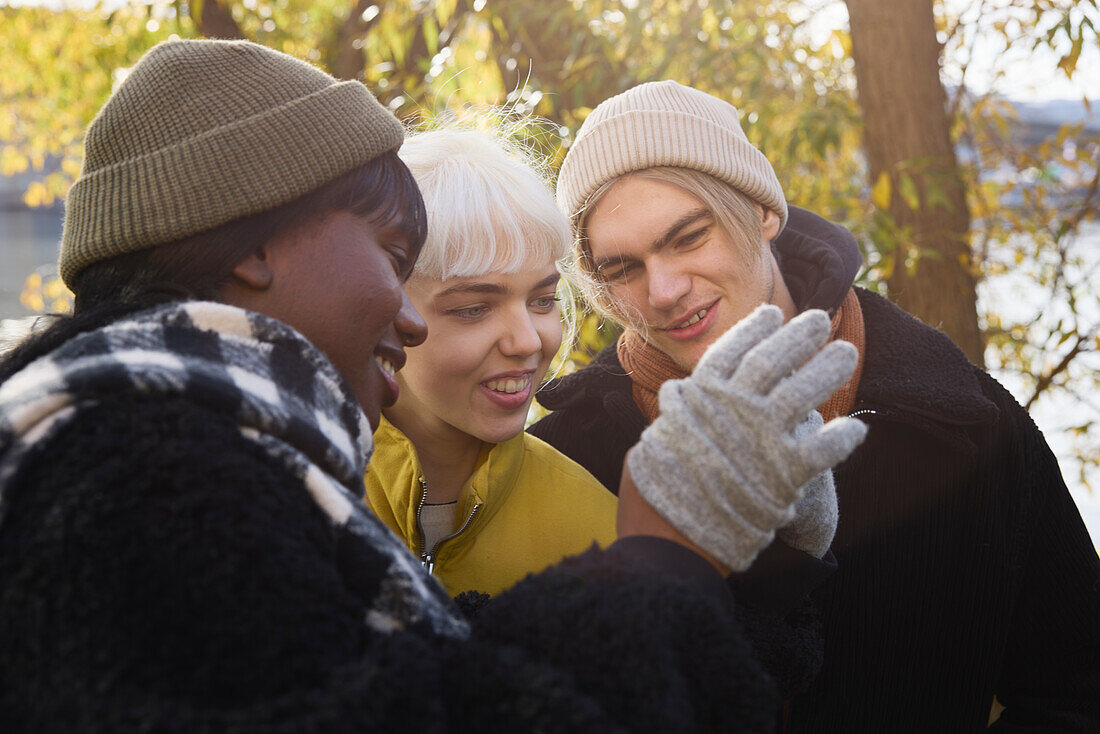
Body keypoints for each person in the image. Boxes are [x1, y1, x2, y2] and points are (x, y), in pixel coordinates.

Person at [0, 42, 867, 733]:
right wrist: (660, 556)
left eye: (540, 297)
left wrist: (765, 569)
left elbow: (438, 671)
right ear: (253, 247)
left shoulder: (161, 441)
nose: (408, 322)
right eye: (392, 257)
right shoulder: (133, 467)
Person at [530, 79, 1100, 733]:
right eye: (622, 268)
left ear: (762, 212)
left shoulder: (966, 423)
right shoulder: (564, 458)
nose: (662, 290)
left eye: (687, 237)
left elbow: (1078, 693)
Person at [364, 125, 617, 596]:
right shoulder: (288, 493)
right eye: (474, 309)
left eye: (542, 300)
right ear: (384, 308)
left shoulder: (599, 538)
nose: (526, 341)